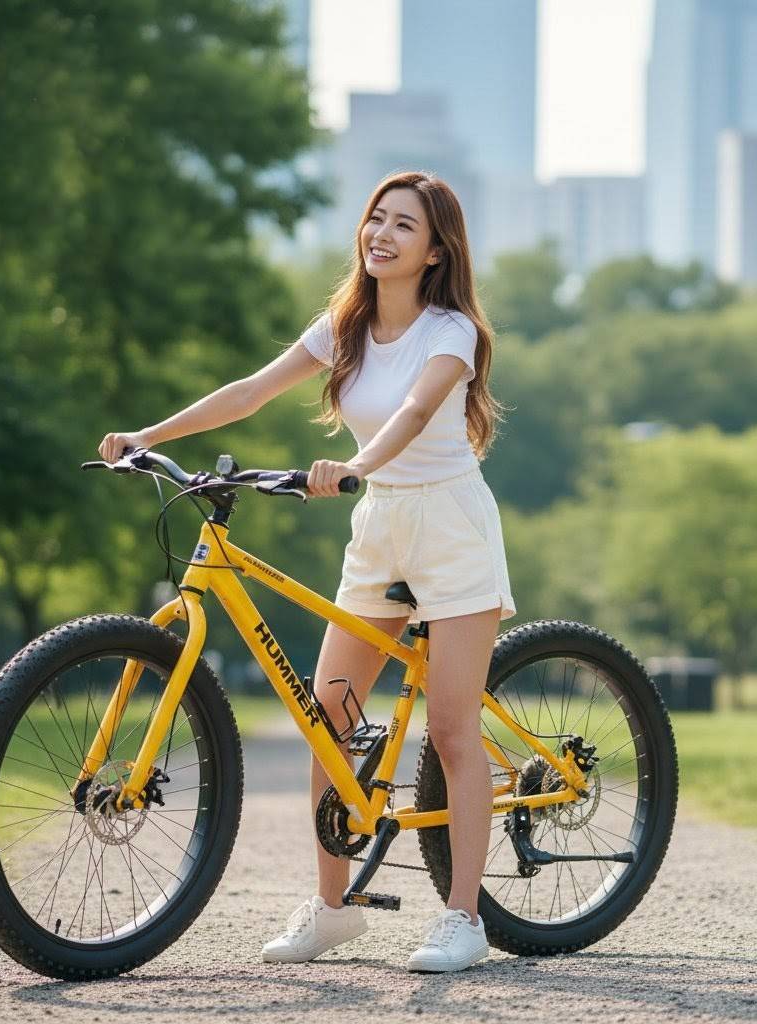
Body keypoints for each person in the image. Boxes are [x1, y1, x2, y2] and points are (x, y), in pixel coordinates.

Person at [98, 170, 516, 973]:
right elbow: (253, 390)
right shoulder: (345, 324)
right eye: (375, 219)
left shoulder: (449, 331)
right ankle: (333, 909)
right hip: (381, 525)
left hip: (451, 524)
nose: (381, 235)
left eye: (404, 226)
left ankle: (463, 918)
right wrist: (151, 434)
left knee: (455, 731)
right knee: (328, 723)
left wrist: (354, 462)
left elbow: (416, 412)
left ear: (435, 252)